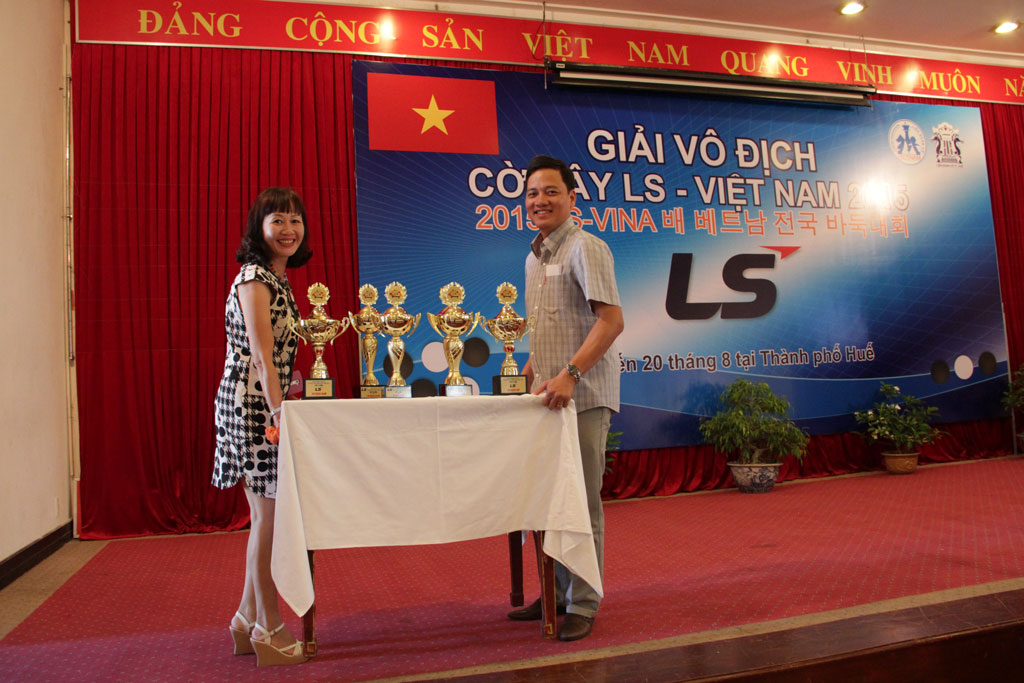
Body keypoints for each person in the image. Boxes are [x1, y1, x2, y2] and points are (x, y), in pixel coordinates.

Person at [507, 155, 624, 641]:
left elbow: (611, 321)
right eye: (532, 193)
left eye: (551, 191)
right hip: (547, 401)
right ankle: (554, 594)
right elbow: (549, 328)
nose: (540, 201)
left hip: (583, 397)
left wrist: (571, 374)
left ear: (572, 198)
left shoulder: (585, 247)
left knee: (581, 503)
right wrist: (530, 371)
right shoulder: (533, 257)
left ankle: (584, 602)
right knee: (547, 502)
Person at [212, 187, 312, 667]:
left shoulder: (278, 278)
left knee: (265, 518)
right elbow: (260, 355)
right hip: (251, 407)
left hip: (264, 402)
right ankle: (268, 627)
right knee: (268, 520)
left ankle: (243, 618)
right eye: (278, 220)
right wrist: (277, 413)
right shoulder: (255, 278)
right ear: (260, 226)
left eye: (295, 220)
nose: (288, 229)